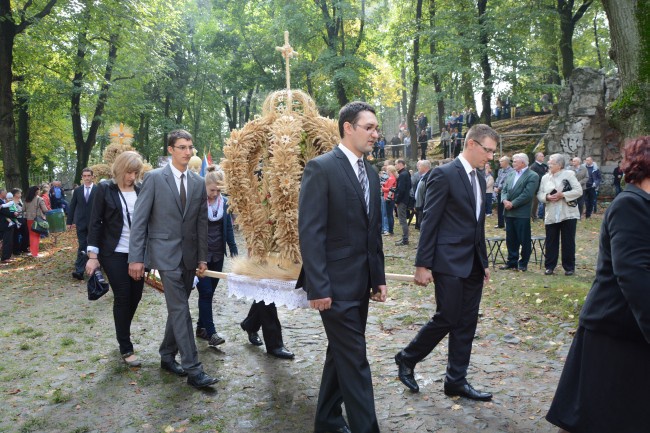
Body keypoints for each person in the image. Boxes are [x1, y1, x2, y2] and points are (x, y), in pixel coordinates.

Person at [546, 136, 650, 433]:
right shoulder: (631, 205)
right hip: (614, 330)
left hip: (630, 332)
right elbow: (633, 274)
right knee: (598, 419)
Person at [297, 101, 387, 433]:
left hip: (360, 284)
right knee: (355, 362)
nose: (376, 134)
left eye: (376, 128)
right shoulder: (321, 168)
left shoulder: (372, 173)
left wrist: (377, 278)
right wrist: (318, 287)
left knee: (341, 355)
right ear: (348, 128)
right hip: (333, 287)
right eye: (369, 127)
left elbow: (372, 231)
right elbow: (311, 231)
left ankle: (327, 421)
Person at [395, 124, 497, 401]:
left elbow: (478, 224)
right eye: (487, 150)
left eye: (493, 152)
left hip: (473, 263)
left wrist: (484, 261)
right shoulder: (443, 174)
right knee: (448, 316)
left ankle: (456, 381)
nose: (490, 157)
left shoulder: (478, 177)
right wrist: (422, 264)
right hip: (448, 260)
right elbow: (430, 221)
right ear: (472, 144)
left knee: (467, 323)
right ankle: (407, 357)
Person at [128, 129, 219, 389]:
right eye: (181, 147)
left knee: (176, 311)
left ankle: (167, 355)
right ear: (170, 150)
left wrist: (202, 258)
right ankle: (194, 369)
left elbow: (202, 224)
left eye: (190, 147)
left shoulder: (199, 182)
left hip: (190, 257)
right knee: (181, 310)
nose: (187, 152)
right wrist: (137, 258)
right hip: (164, 257)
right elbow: (140, 221)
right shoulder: (154, 179)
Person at [86, 151, 145, 367]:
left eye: (136, 172)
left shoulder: (140, 189)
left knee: (136, 296)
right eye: (129, 172)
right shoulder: (104, 189)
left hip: (138, 253)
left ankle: (122, 330)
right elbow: (94, 222)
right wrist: (93, 256)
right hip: (113, 252)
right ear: (120, 169)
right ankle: (126, 346)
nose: (132, 176)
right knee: (123, 295)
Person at [194, 167, 237, 348]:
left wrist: (234, 250)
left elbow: (227, 229)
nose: (215, 193)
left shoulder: (225, 203)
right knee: (205, 292)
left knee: (208, 294)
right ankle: (212, 334)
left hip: (218, 255)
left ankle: (200, 327)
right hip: (200, 256)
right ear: (205, 187)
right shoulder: (197, 203)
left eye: (219, 190)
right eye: (212, 190)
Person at [537, 154, 583, 276]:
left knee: (568, 241)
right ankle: (550, 266)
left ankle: (569, 267)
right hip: (551, 213)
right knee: (551, 240)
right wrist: (547, 197)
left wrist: (563, 195)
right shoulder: (545, 177)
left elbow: (578, 191)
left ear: (559, 165)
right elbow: (540, 194)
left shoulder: (569, 174)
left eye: (551, 163)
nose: (548, 164)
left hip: (567, 213)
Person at [499, 153, 539, 272]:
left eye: (515, 161)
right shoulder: (511, 174)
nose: (513, 163)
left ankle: (523, 263)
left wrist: (513, 203)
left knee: (524, 239)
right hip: (508, 212)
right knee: (510, 239)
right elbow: (504, 189)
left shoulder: (532, 175)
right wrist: (504, 200)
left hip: (522, 213)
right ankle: (512, 261)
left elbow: (527, 194)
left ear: (522, 163)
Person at [67, 168, 96, 280]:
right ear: (82, 177)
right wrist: (69, 221)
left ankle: (95, 269)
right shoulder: (78, 191)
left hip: (95, 224)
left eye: (89, 175)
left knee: (93, 246)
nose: (87, 178)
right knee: (82, 245)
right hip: (81, 223)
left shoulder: (98, 190)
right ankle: (79, 270)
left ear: (92, 177)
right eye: (85, 176)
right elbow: (73, 206)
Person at [23, 186, 49, 258]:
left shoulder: (26, 199)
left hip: (29, 219)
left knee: (31, 235)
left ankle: (32, 251)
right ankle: (35, 253)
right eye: (39, 190)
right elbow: (45, 210)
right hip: (37, 219)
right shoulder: (40, 199)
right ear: (36, 191)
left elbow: (23, 209)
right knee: (36, 236)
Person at [394, 159, 411, 246]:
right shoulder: (405, 173)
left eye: (396, 164)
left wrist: (397, 200)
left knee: (402, 220)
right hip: (404, 199)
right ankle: (405, 238)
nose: (395, 166)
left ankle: (405, 239)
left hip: (402, 200)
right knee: (402, 219)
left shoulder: (403, 174)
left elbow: (401, 189)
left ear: (401, 164)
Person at [493, 156, 513, 229]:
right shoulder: (500, 170)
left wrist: (499, 188)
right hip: (499, 192)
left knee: (507, 208)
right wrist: (495, 186)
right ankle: (500, 224)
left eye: (501, 161)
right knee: (500, 208)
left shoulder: (512, 171)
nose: (500, 163)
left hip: (507, 192)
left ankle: (507, 225)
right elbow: (498, 179)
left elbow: (507, 181)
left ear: (506, 162)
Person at [529, 152, 548, 220]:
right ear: (537, 157)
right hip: (536, 187)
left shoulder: (544, 165)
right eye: (542, 156)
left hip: (544, 186)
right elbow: (535, 176)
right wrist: (545, 176)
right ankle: (533, 216)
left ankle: (544, 216)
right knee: (535, 202)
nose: (543, 157)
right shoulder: (534, 166)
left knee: (545, 201)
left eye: (543, 156)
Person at [10, 189, 29, 255]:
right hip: (16, 219)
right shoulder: (11, 201)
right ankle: (16, 250)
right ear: (15, 194)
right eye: (19, 193)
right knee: (16, 235)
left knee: (25, 233)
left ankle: (24, 247)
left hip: (23, 218)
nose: (20, 194)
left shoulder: (20, 200)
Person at [414, 160, 431, 229]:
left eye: (420, 166)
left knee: (424, 227)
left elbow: (427, 192)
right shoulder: (423, 177)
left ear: (425, 167)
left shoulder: (429, 177)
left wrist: (422, 205)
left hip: (424, 207)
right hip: (420, 206)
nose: (418, 168)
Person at [381, 165, 398, 236]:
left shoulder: (391, 178)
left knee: (388, 215)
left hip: (388, 198)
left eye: (387, 170)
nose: (386, 171)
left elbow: (389, 189)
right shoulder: (392, 178)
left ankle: (389, 230)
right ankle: (389, 229)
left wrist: (383, 188)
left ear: (390, 171)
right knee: (389, 214)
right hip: (389, 198)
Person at [0, 188, 16, 263]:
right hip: (4, 224)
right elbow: (4, 212)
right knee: (6, 241)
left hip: (7, 223)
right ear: (1, 193)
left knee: (9, 240)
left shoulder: (4, 201)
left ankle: (8, 256)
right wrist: (13, 214)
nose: (6, 193)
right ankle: (5, 257)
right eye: (5, 192)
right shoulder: (1, 202)